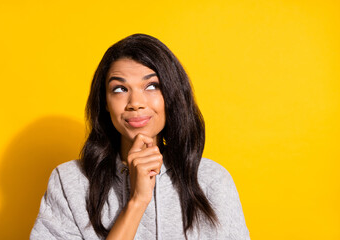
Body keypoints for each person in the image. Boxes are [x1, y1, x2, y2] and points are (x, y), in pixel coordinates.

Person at [30, 34, 250, 240]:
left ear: (171, 95)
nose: (135, 102)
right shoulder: (70, 182)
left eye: (152, 86)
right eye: (119, 89)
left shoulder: (211, 180)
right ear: (105, 102)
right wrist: (137, 201)